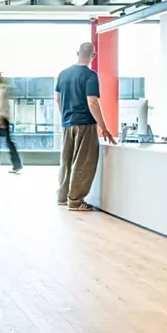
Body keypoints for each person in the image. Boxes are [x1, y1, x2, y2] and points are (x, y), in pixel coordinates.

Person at [55, 42, 115, 211]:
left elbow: (58, 100)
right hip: (85, 124)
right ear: (93, 56)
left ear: (77, 53)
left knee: (66, 161)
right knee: (83, 163)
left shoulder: (63, 74)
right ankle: (75, 200)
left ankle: (62, 196)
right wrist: (103, 127)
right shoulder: (90, 76)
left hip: (67, 124)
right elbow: (92, 102)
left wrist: (66, 117)